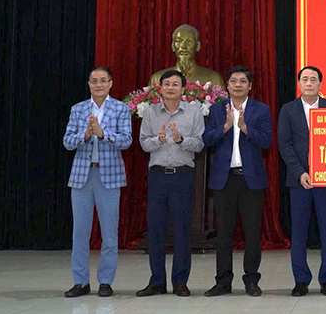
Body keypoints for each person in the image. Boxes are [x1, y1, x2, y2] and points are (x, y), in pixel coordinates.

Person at [202, 66, 272, 297]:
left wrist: (245, 128)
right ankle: (223, 282)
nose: (238, 85)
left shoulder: (261, 110)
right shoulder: (216, 110)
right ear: (227, 85)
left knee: (252, 233)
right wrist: (225, 127)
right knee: (224, 233)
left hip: (251, 180)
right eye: (234, 81)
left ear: (250, 86)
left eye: (243, 81)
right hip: (224, 179)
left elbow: (267, 141)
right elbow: (206, 139)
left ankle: (251, 280)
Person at [63, 67, 132, 298]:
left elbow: (126, 141)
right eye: (94, 81)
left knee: (109, 233)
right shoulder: (78, 109)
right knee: (80, 233)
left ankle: (105, 281)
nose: (99, 84)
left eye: (103, 80)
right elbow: (67, 142)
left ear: (111, 83)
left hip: (109, 177)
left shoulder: (121, 109)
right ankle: (80, 282)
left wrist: (102, 134)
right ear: (89, 84)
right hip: (82, 177)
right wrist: (85, 135)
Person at [136, 70, 205, 297]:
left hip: (182, 176)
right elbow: (144, 143)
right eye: (167, 84)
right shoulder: (151, 112)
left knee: (182, 229)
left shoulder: (194, 112)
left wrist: (180, 139)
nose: (171, 88)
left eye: (175, 84)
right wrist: (159, 139)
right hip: (157, 176)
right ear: (161, 88)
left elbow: (200, 144)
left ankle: (180, 282)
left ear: (183, 89)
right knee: (155, 229)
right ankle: (157, 281)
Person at [278, 66, 326, 297]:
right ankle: (301, 280)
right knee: (299, 232)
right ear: (299, 83)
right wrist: (299, 172)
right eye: (305, 79)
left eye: (314, 79)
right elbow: (284, 144)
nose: (309, 83)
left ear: (320, 84)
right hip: (299, 181)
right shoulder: (288, 110)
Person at [149, 24, 225, 88]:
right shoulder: (157, 79)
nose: (183, 46)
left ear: (197, 46)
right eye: (179, 41)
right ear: (173, 46)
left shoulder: (214, 79)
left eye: (189, 42)